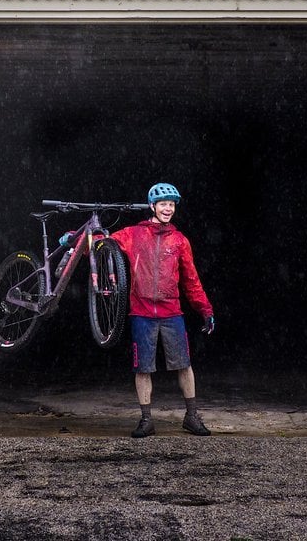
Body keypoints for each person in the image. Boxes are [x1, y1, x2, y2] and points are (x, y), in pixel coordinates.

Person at [109, 183, 215, 438]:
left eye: (172, 204)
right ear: (153, 206)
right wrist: (75, 238)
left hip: (171, 313)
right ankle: (146, 420)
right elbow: (103, 244)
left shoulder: (179, 240)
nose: (168, 208)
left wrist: (206, 309)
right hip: (141, 313)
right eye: (164, 204)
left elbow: (191, 280)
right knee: (142, 368)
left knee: (184, 365)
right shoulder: (133, 234)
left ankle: (191, 416)